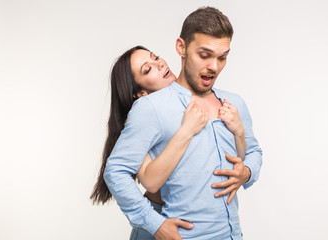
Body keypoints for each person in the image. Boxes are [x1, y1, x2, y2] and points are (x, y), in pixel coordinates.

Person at [104, 6, 262, 240]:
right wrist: (154, 224)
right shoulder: (150, 107)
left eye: (222, 57)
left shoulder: (234, 103)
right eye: (204, 55)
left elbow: (254, 151)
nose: (214, 66)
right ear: (181, 47)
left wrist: (246, 172)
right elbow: (117, 171)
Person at [90, 46, 247, 239]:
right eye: (148, 69)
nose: (160, 63)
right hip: (161, 218)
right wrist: (156, 224)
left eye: (156, 57)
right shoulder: (144, 115)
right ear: (140, 94)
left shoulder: (192, 104)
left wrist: (242, 157)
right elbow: (150, 181)